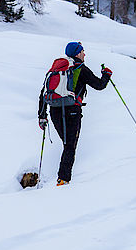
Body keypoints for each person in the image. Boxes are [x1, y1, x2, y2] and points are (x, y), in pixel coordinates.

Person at [38, 42, 112, 186]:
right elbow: (99, 85)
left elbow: (43, 93)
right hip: (72, 111)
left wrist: (42, 116)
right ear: (77, 53)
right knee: (70, 146)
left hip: (54, 111)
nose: (84, 54)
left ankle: (62, 179)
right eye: (83, 51)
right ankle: (63, 180)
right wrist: (106, 75)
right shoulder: (80, 68)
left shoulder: (56, 70)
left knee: (67, 144)